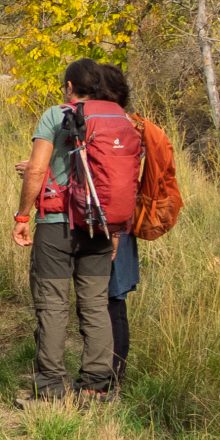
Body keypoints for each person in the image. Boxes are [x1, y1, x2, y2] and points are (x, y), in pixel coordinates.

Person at [16, 60, 121, 403]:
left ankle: (51, 387)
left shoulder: (54, 115)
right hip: (101, 225)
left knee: (52, 304)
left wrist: (21, 216)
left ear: (71, 86)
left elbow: (36, 170)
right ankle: (95, 386)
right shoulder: (117, 119)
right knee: (95, 305)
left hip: (57, 225)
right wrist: (115, 230)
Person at [91, 63, 144, 382]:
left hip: (104, 223)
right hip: (124, 221)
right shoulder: (130, 124)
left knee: (104, 301)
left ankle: (105, 376)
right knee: (115, 299)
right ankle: (115, 376)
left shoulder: (103, 125)